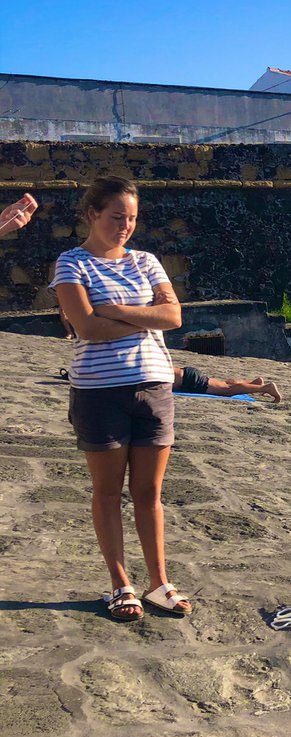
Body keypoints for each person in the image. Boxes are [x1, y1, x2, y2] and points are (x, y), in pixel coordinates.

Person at [51, 177, 192, 623]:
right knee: (108, 492)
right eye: (116, 217)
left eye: (131, 218)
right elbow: (86, 331)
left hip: (152, 387)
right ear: (92, 214)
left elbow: (172, 316)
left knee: (150, 493)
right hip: (98, 390)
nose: (125, 226)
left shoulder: (146, 261)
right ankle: (120, 584)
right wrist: (141, 317)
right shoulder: (71, 264)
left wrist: (112, 310)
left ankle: (158, 583)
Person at [174, 366, 282, 403]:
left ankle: (265, 388)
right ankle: (253, 383)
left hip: (188, 380)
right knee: (224, 384)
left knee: (226, 390)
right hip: (186, 375)